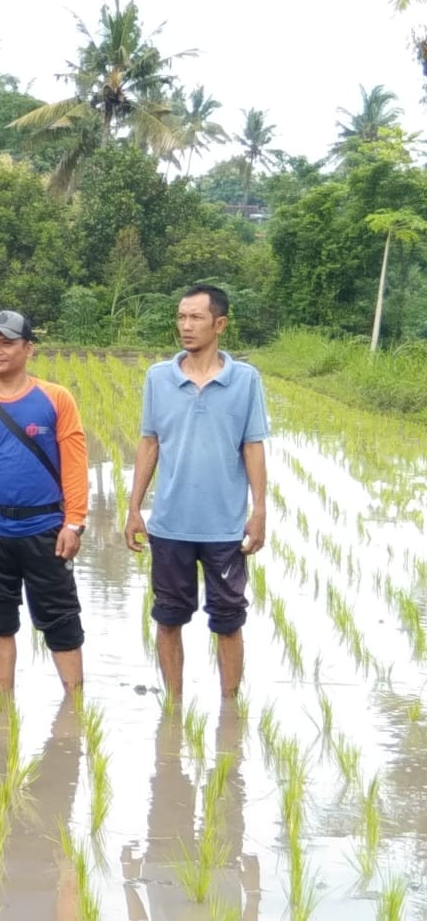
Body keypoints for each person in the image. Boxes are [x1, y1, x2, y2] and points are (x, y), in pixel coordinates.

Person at [125, 284, 268, 700]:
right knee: (168, 617)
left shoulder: (244, 381)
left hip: (225, 527)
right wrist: (134, 508)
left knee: (228, 619)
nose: (186, 326)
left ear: (219, 324)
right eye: (181, 317)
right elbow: (149, 443)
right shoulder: (159, 378)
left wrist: (258, 511)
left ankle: (229, 705)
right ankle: (173, 704)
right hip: (170, 524)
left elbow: (252, 446)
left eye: (196, 318)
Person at [0, 311, 88, 696]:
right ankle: (2, 702)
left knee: (60, 620)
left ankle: (74, 704)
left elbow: (75, 464)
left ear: (28, 348)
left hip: (45, 531)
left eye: (7, 343)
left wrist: (74, 523)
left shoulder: (56, 399)